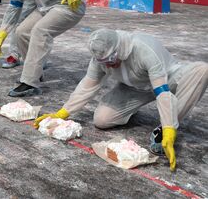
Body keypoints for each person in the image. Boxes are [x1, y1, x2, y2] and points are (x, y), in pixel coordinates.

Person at [34, 29, 208, 172]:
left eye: (110, 60)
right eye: (103, 62)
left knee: (202, 70)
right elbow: (87, 85)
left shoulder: (144, 49)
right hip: (134, 88)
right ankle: (131, 111)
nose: (108, 65)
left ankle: (164, 131)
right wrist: (63, 112)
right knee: (102, 120)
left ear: (120, 50)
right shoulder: (101, 57)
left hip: (167, 80)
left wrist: (169, 127)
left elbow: (162, 92)